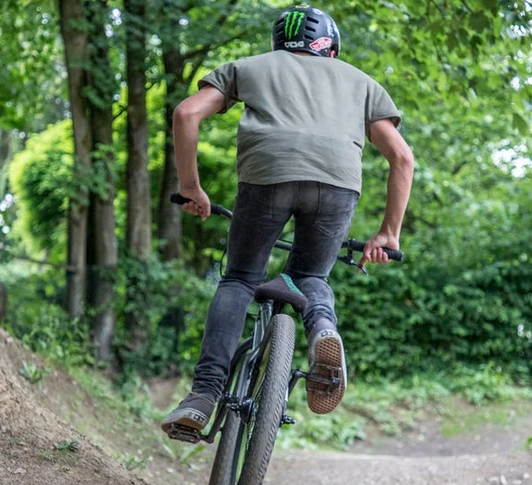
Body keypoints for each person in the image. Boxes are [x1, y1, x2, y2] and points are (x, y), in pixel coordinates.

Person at [161, 4, 414, 436]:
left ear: (279, 42)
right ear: (330, 47)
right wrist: (388, 233)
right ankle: (321, 329)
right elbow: (402, 158)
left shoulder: (249, 67)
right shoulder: (361, 82)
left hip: (267, 177)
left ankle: (204, 395)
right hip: (337, 184)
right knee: (313, 275)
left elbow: (186, 113)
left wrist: (191, 188)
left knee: (239, 279)